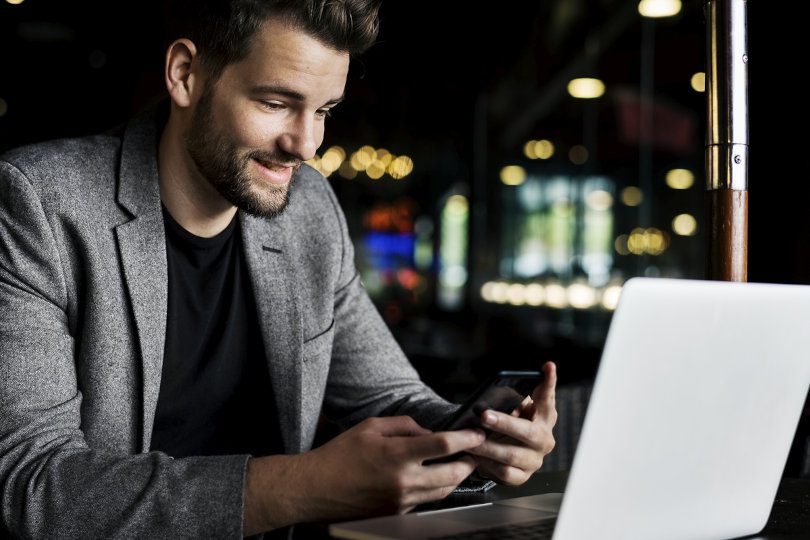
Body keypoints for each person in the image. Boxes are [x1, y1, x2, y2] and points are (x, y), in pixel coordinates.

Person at [0, 0, 558, 537]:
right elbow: (37, 488)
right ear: (186, 74)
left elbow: (389, 398)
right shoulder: (39, 205)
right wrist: (303, 487)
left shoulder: (309, 210)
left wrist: (483, 437)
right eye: (275, 103)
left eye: (323, 110)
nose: (307, 144)